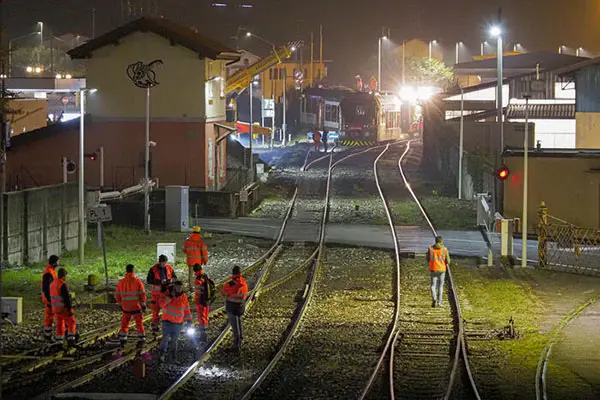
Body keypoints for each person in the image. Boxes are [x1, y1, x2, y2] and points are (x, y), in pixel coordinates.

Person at [159, 280, 192, 362]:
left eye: (180, 286)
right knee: (165, 339)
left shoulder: (183, 296)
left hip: (178, 323)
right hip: (167, 321)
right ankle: (162, 355)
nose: (179, 288)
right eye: (177, 286)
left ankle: (173, 357)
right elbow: (161, 304)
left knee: (174, 341)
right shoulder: (168, 294)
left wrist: (189, 320)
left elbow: (186, 309)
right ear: (174, 286)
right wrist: (169, 297)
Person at [115, 264, 147, 346]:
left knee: (125, 322)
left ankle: (122, 338)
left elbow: (117, 295)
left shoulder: (121, 282)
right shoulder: (137, 281)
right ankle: (141, 338)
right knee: (139, 323)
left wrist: (120, 304)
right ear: (133, 270)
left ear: (126, 271)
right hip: (136, 306)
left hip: (126, 307)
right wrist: (143, 304)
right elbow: (142, 294)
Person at [220, 265, 248, 352]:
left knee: (235, 327)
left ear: (233, 273)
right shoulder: (244, 282)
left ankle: (236, 345)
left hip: (232, 308)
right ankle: (240, 339)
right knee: (239, 323)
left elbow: (223, 292)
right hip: (241, 307)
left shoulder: (231, 284)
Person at [147, 255, 177, 334]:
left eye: (165, 263)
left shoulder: (169, 268)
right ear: (159, 262)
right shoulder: (153, 269)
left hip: (166, 294)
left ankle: (167, 327)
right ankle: (155, 328)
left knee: (167, 312)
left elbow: (175, 277)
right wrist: (160, 282)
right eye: (162, 263)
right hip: (157, 295)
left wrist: (170, 281)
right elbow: (149, 280)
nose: (164, 264)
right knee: (155, 312)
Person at [50, 268, 77, 345]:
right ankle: (71, 340)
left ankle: (59, 341)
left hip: (55, 308)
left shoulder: (53, 284)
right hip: (63, 308)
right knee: (71, 322)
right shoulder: (62, 284)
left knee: (59, 324)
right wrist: (70, 309)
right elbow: (66, 298)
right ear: (64, 276)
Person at [193, 263, 215, 349]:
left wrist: (196, 301)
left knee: (201, 318)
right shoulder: (206, 276)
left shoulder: (198, 280)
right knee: (205, 317)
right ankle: (204, 334)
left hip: (201, 302)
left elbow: (198, 293)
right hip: (207, 301)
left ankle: (203, 336)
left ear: (195, 271)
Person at [426, 236, 451, 308]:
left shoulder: (430, 249)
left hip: (433, 269)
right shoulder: (445, 249)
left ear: (435, 241)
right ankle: (439, 302)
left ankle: (434, 299)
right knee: (440, 286)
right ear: (441, 241)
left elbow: (428, 259)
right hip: (442, 270)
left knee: (433, 285)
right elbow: (448, 261)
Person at [41, 255, 59, 341]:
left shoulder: (51, 271)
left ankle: (48, 335)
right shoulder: (49, 272)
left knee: (50, 316)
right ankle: (48, 336)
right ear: (54, 262)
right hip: (50, 298)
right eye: (57, 262)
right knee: (50, 317)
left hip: (52, 298)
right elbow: (46, 288)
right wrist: (50, 299)